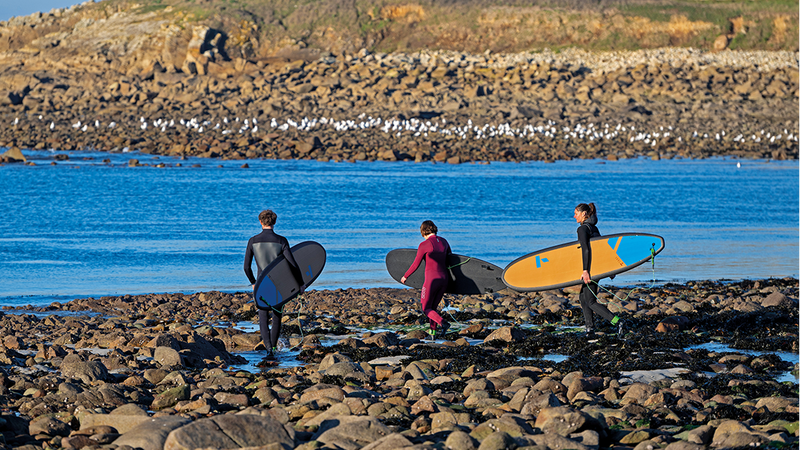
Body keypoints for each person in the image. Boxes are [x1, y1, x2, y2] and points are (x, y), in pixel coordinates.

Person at [244, 209, 305, 360]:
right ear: (275, 222)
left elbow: (246, 267)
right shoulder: (281, 241)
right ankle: (273, 348)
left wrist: (253, 282)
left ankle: (268, 351)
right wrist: (300, 283)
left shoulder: (253, 241)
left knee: (263, 316)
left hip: (261, 284)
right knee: (277, 316)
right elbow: (293, 265)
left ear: (260, 222)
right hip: (278, 285)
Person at [574, 203, 624, 336]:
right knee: (583, 297)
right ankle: (589, 329)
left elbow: (586, 249)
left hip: (591, 269)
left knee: (590, 301)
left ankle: (617, 322)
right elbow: (603, 250)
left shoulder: (583, 229)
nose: (574, 216)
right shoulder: (594, 228)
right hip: (597, 268)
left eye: (576, 213)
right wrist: (610, 269)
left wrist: (585, 271)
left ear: (584, 214)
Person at [401, 220, 452, 338]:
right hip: (444, 279)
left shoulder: (424, 245)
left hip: (431, 280)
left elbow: (415, 264)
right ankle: (432, 334)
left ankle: (443, 323)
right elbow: (450, 258)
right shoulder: (444, 241)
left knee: (426, 308)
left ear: (423, 231)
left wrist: (405, 276)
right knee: (433, 308)